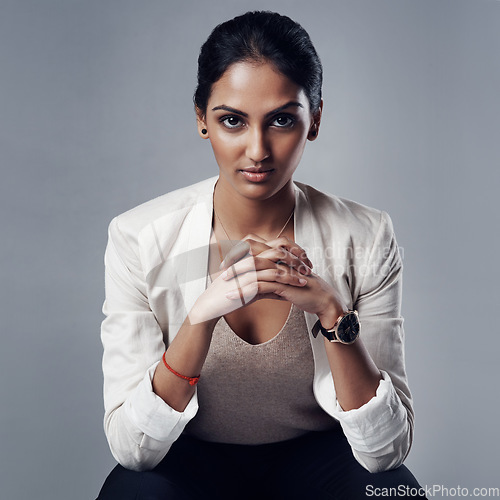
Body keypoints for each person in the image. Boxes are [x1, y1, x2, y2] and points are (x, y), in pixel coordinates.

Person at [97, 11, 426, 500]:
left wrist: (333, 313)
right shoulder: (141, 238)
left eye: (281, 120)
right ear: (201, 120)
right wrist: (201, 318)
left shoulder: (365, 236)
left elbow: (386, 450)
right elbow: (134, 449)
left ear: (314, 120)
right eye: (232, 120)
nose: (257, 149)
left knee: (396, 492)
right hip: (189, 458)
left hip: (318, 458)